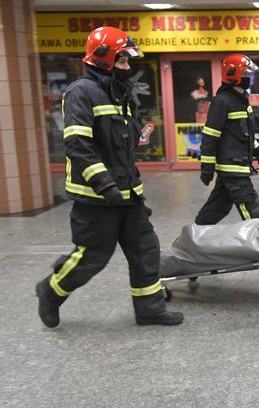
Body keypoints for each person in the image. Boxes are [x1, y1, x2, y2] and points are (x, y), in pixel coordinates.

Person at [35, 26, 183, 328]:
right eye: (123, 61)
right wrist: (104, 183)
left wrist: (138, 137)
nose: (128, 68)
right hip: (96, 197)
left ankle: (150, 310)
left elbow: (119, 141)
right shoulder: (80, 91)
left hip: (129, 193)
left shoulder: (119, 93)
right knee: (93, 258)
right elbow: (78, 145)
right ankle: (50, 291)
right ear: (104, 59)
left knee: (145, 249)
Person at [195, 54, 259, 225]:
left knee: (216, 208)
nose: (249, 78)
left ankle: (196, 236)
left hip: (238, 165)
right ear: (233, 75)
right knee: (253, 211)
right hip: (232, 167)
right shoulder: (222, 101)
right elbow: (210, 136)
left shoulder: (241, 100)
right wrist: (207, 168)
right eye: (246, 74)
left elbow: (243, 134)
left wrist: (258, 150)